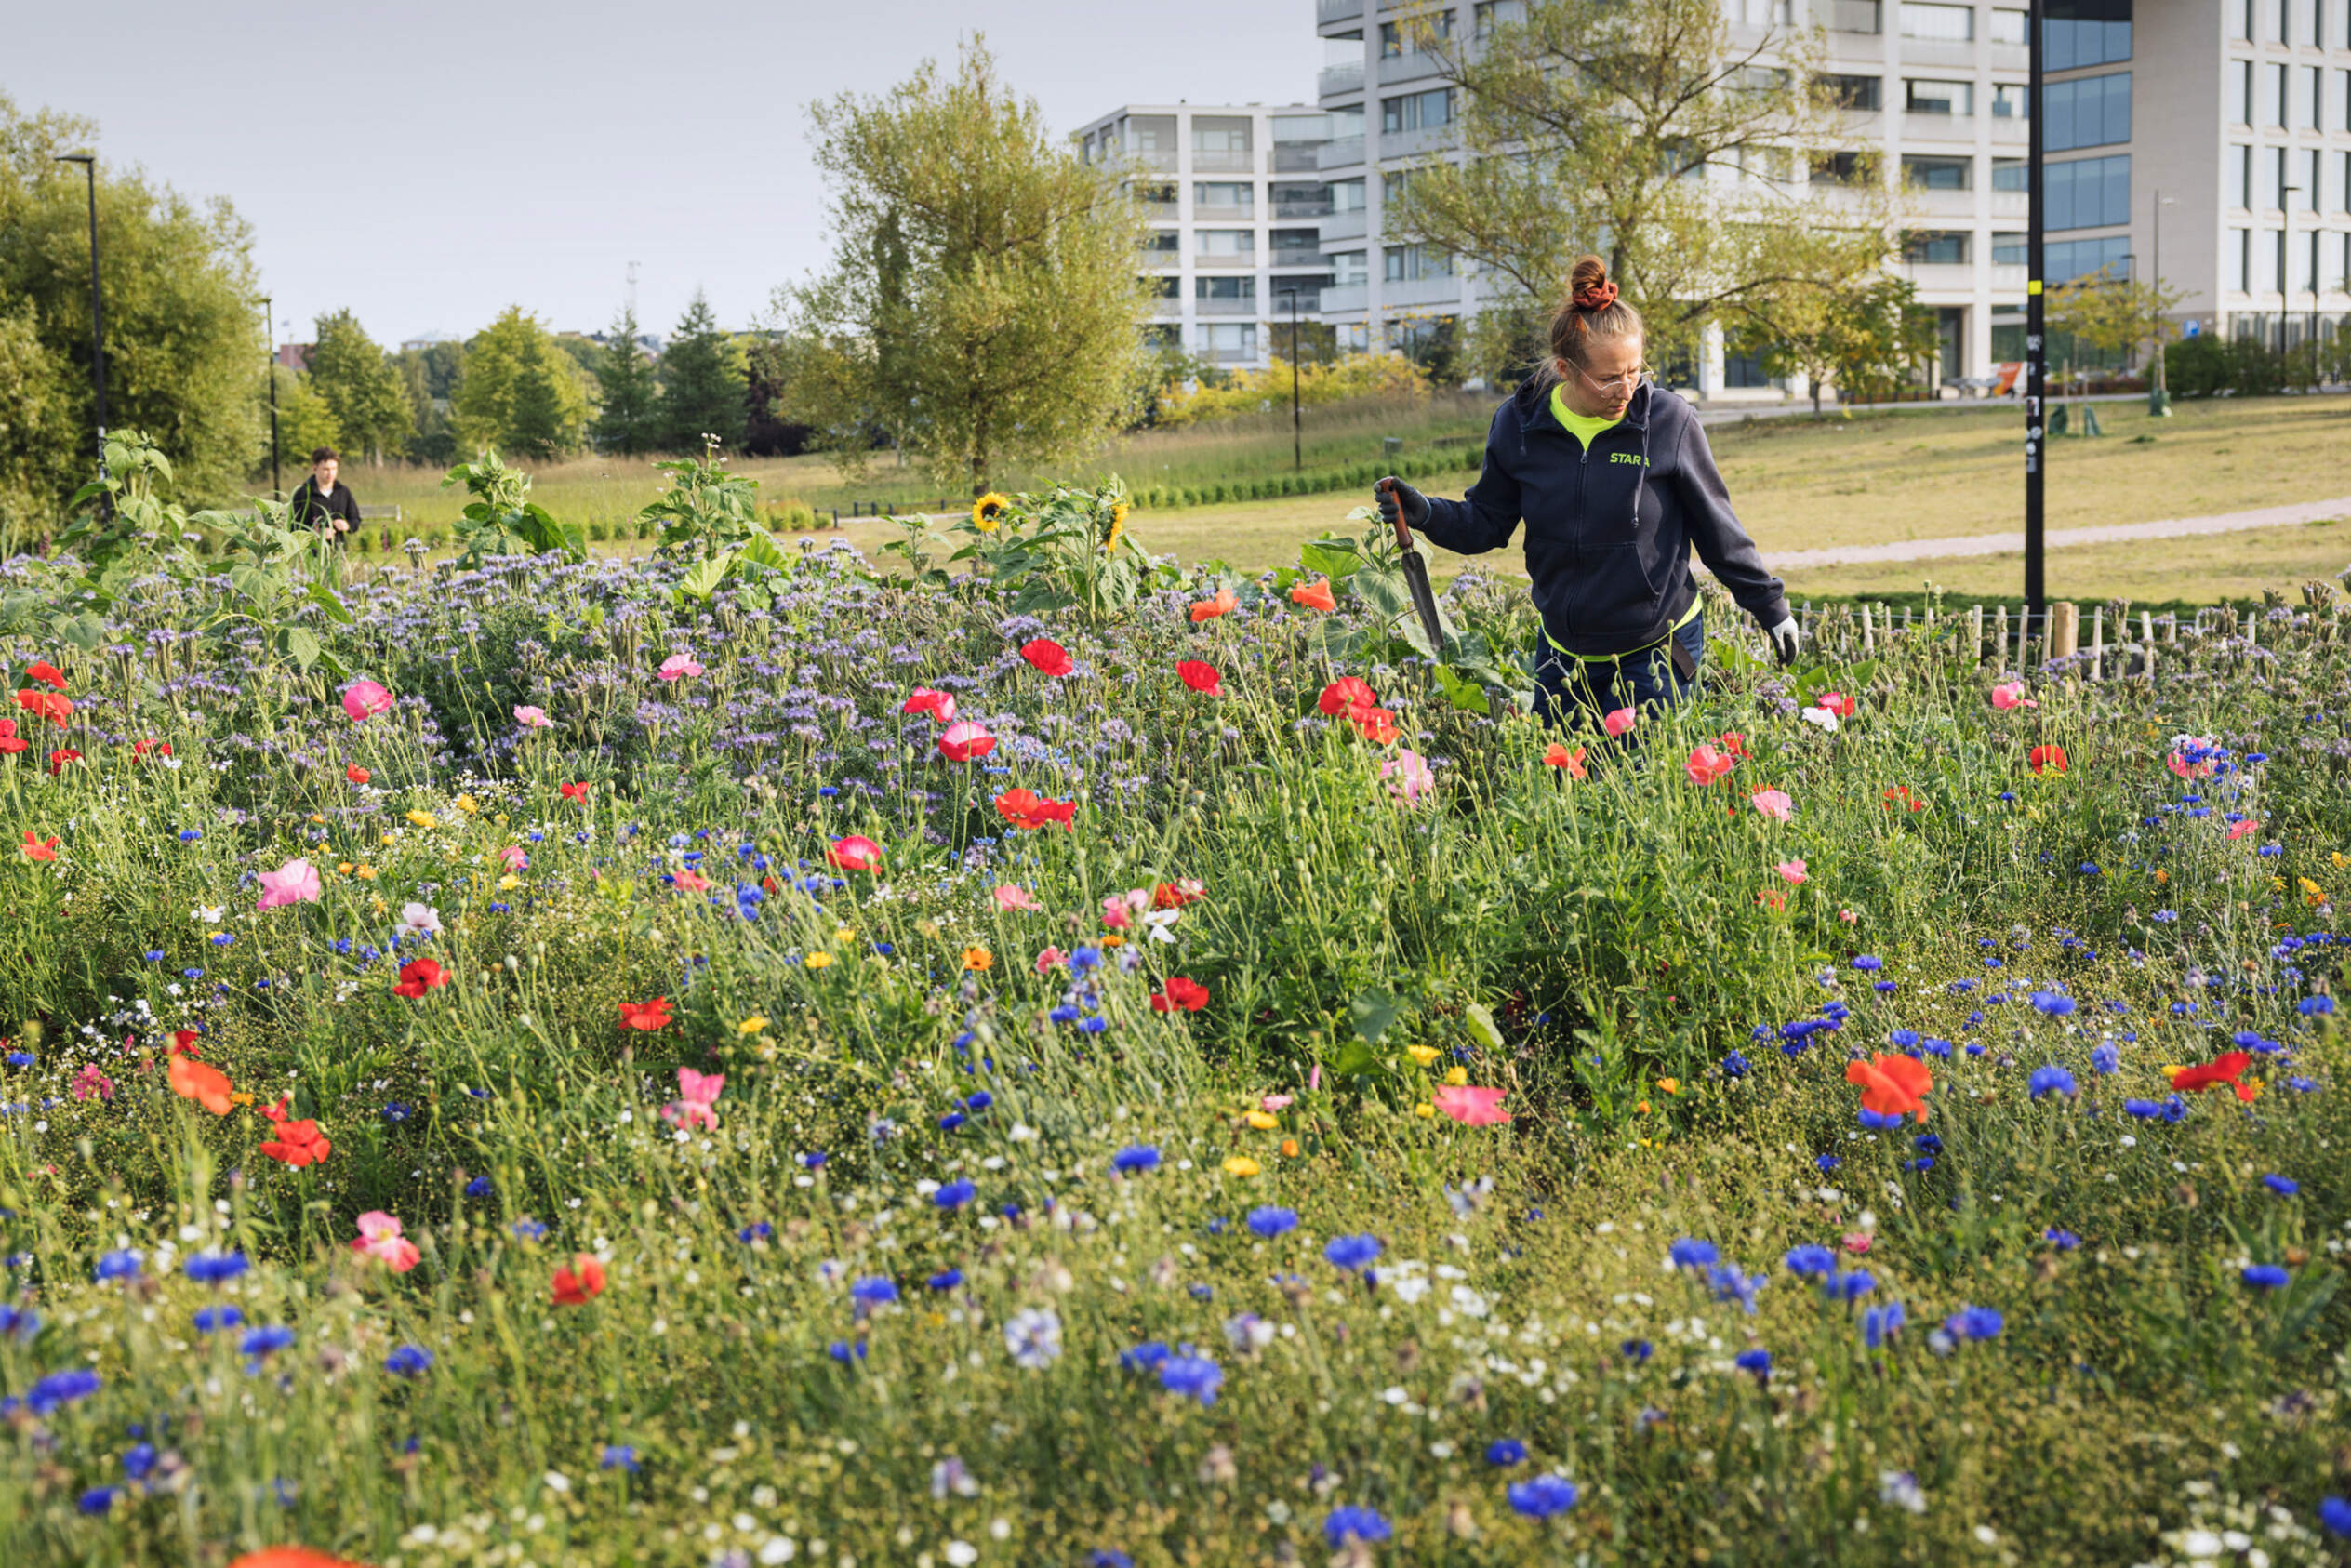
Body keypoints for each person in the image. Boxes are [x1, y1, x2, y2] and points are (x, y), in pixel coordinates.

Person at [1376, 256, 1798, 731]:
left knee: (1643, 775)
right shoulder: (1519, 424)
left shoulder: (1668, 422)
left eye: (1635, 371)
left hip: (1655, 650)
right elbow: (1486, 523)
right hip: (1563, 656)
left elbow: (1718, 528)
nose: (1626, 389)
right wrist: (1426, 513)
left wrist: (1770, 607)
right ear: (1565, 369)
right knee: (1562, 775)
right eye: (1609, 378)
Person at [288, 446, 362, 539]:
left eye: (334, 468)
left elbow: (356, 520)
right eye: (326, 469)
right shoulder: (302, 493)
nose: (331, 473)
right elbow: (294, 527)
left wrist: (347, 525)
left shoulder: (343, 492)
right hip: (312, 547)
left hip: (338, 547)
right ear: (315, 468)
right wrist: (316, 532)